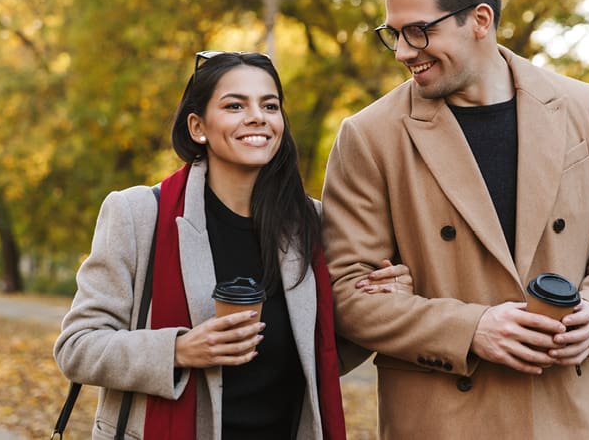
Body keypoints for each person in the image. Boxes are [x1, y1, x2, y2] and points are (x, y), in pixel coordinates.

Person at [321, 0, 589, 438]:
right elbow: (347, 293)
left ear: (480, 20)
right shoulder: (369, 137)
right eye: (394, 33)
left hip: (563, 413)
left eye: (419, 31)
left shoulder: (584, 107)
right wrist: (471, 329)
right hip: (441, 419)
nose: (403, 53)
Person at [55, 51, 410, 440]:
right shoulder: (138, 214)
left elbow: (322, 354)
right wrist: (178, 350)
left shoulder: (313, 224)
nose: (257, 116)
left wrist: (384, 298)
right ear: (197, 126)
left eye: (269, 105)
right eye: (235, 105)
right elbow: (77, 346)